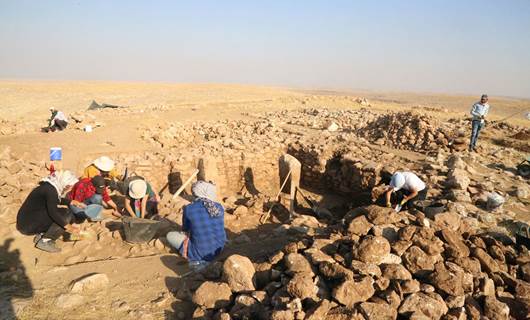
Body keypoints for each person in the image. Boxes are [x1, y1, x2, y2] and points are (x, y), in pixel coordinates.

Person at [166, 181, 226, 270]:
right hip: (219, 247)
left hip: (201, 252)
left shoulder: (189, 208)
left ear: (196, 193)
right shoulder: (219, 206)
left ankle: (191, 255)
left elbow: (185, 229)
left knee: (170, 236)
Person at [16, 171, 81, 253]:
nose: (69, 188)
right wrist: (69, 227)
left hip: (26, 222)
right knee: (65, 214)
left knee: (64, 213)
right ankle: (45, 241)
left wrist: (71, 202)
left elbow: (54, 200)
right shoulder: (51, 191)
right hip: (28, 226)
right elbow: (53, 213)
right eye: (69, 186)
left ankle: (42, 235)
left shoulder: (48, 187)